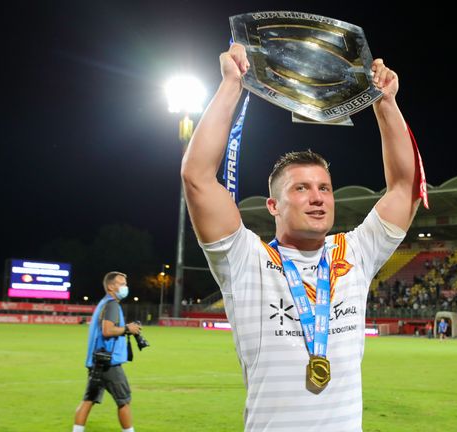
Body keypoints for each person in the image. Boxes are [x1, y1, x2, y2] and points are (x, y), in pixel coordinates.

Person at [181, 43, 422, 430]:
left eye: (324, 188)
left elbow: (404, 188)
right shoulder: (245, 259)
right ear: (273, 205)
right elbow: (197, 178)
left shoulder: (354, 253)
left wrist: (385, 103)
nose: (317, 197)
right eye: (301, 188)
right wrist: (231, 85)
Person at [73, 271, 142, 432]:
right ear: (111, 286)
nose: (125, 287)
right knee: (124, 401)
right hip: (109, 363)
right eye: (122, 284)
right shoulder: (112, 305)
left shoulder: (104, 303)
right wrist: (128, 329)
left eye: (125, 284)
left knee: (88, 400)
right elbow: (107, 330)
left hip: (97, 361)